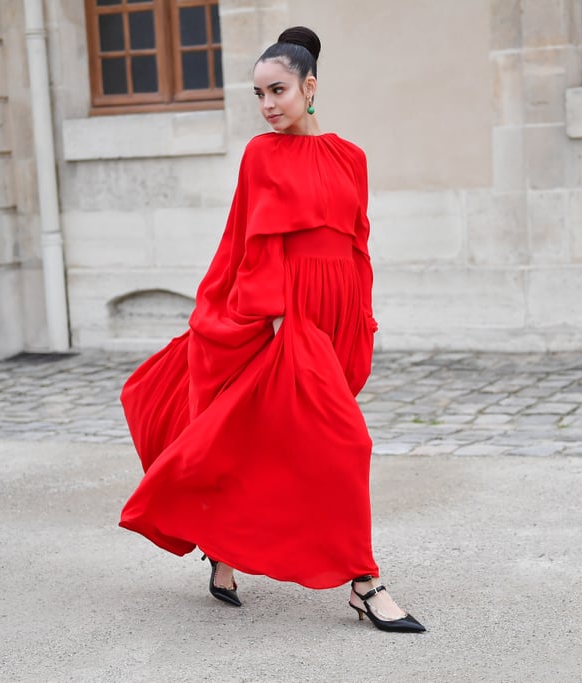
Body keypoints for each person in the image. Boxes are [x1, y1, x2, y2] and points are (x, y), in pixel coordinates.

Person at [118, 26, 424, 634]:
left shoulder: (350, 156)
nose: (267, 105)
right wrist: (279, 320)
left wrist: (360, 316)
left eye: (277, 90)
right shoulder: (262, 155)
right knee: (345, 444)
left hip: (338, 313)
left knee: (269, 441)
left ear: (309, 88)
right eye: (258, 94)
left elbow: (357, 243)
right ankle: (366, 583)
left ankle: (224, 552)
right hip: (290, 318)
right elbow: (255, 244)